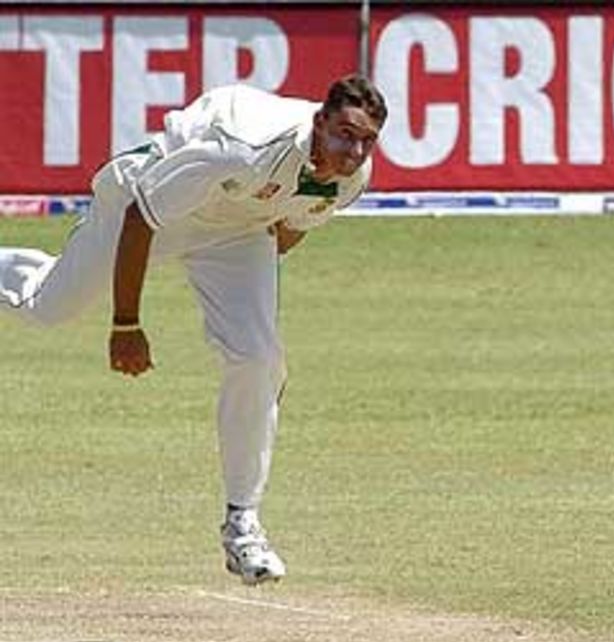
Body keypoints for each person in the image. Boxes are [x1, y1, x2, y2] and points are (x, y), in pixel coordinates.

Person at [1, 74, 387, 584]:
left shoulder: (351, 177)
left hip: (235, 230)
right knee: (50, 306)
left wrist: (253, 338)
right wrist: (126, 323)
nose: (354, 149)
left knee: (257, 359)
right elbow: (142, 217)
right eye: (344, 133)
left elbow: (286, 232)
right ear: (319, 123)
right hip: (147, 198)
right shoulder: (244, 148)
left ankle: (242, 524)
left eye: (366, 140)